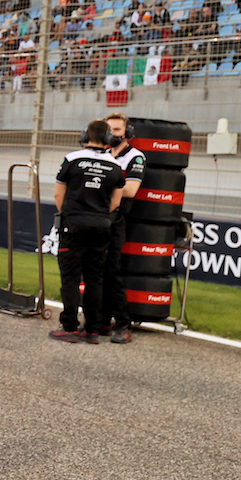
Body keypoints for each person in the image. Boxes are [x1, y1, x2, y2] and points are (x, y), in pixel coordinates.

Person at [51, 120, 125, 343]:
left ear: (85, 136)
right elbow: (116, 202)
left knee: (71, 278)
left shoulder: (72, 159)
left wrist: (71, 214)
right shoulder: (115, 166)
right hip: (102, 225)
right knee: (95, 278)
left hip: (73, 224)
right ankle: (92, 329)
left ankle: (70, 327)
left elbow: (58, 195)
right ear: (109, 139)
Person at [103, 112, 146, 344]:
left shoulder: (135, 157)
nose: (113, 134)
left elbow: (130, 190)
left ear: (127, 133)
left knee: (112, 272)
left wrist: (101, 185)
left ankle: (122, 323)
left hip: (116, 220)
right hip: (95, 217)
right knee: (91, 271)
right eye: (109, 130)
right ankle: (98, 319)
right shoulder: (100, 154)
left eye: (117, 130)